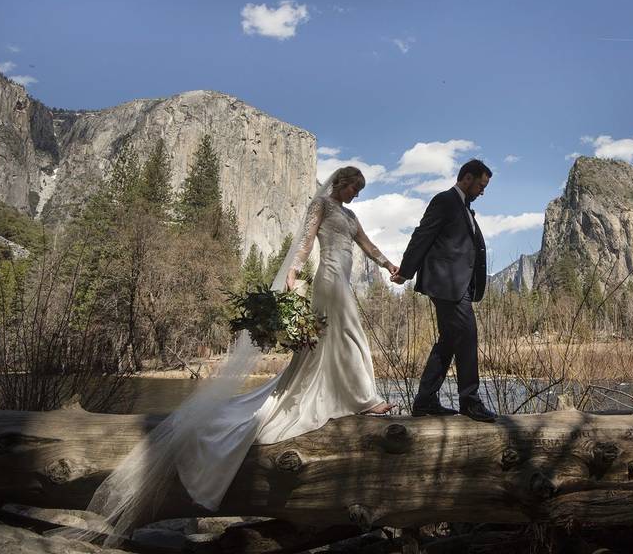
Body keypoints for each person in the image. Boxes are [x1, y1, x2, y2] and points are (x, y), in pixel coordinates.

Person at [74, 166, 398, 544]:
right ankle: (364, 398)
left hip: (342, 277)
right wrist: (293, 270)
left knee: (336, 337)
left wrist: (389, 264)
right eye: (353, 187)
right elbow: (306, 242)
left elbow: (367, 245)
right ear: (340, 182)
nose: (356, 194)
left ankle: (347, 395)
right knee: (346, 331)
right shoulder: (322, 203)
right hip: (327, 277)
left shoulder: (352, 216)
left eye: (359, 190)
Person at [391, 159, 497, 423]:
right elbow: (422, 235)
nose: (483, 192)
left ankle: (425, 400)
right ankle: (470, 401)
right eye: (481, 186)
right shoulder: (445, 200)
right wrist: (406, 271)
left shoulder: (465, 209)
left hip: (457, 285)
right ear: (468, 178)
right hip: (446, 284)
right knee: (468, 334)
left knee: (449, 340)